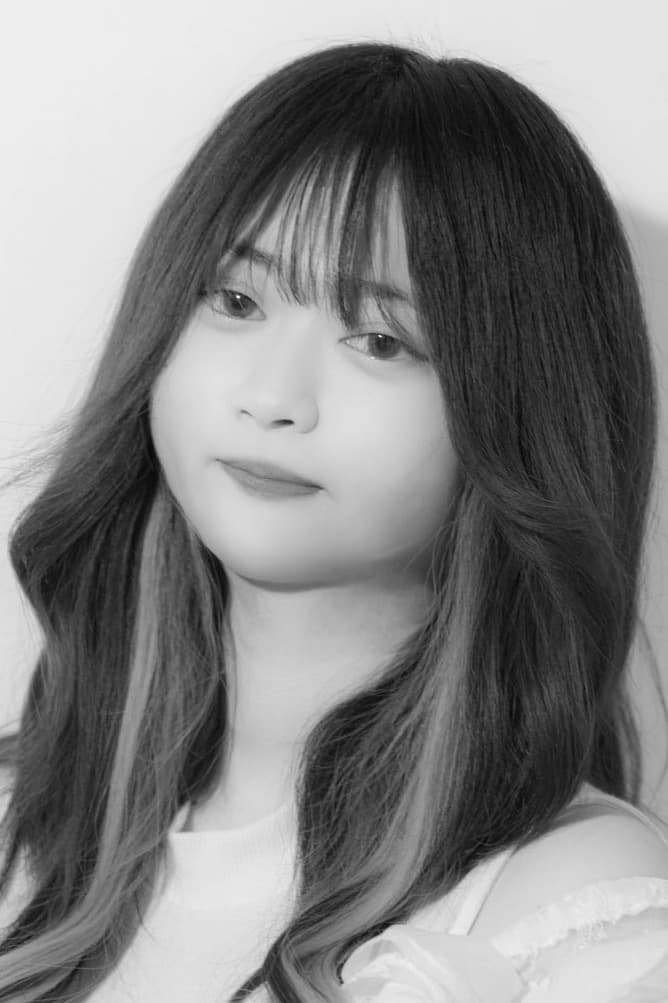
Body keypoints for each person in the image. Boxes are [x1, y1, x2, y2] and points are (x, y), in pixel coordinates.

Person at [0, 38, 668, 1003]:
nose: (274, 397)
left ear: (517, 407)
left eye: (381, 339)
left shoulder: (575, 910)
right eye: (235, 299)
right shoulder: (26, 821)